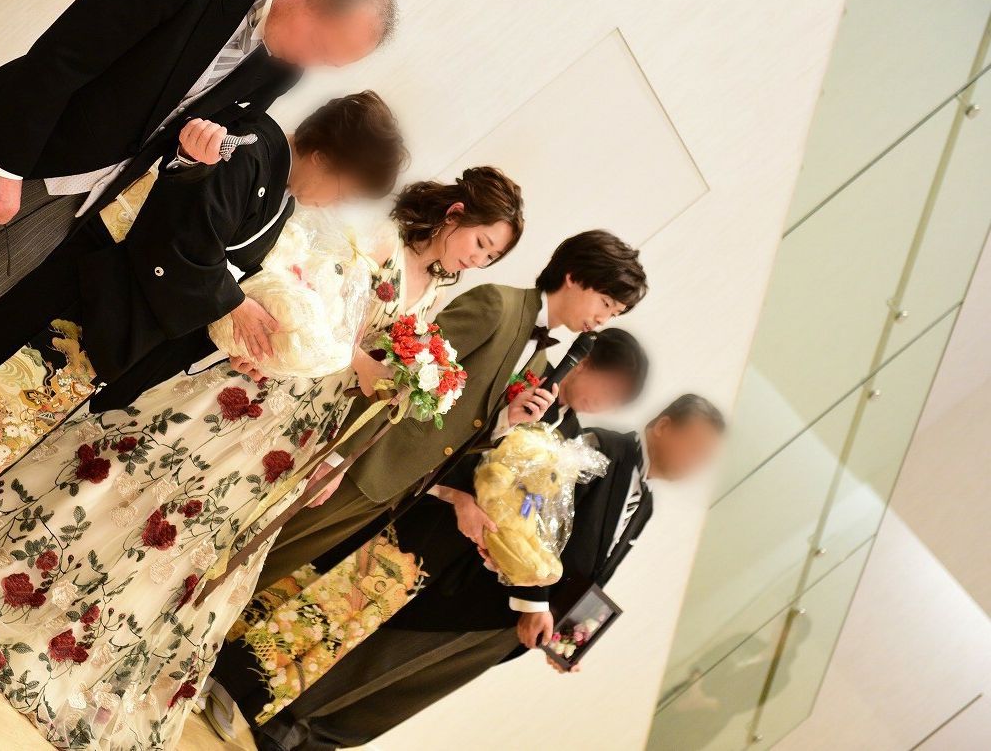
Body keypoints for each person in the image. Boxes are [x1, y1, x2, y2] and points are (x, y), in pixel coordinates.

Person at [0, 168, 526, 749]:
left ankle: (91, 644)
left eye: (491, 257)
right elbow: (311, 303)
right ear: (454, 214)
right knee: (149, 481)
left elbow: (380, 364)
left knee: (203, 538)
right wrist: (355, 360)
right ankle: (21, 585)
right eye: (481, 243)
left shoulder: (435, 292)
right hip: (270, 395)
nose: (479, 260)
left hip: (311, 431)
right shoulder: (378, 242)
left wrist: (354, 437)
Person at [0, 0, 396, 418]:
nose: (310, 63)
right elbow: (61, 57)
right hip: (2, 162)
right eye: (320, 45)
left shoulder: (280, 69)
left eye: (329, 62)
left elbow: (174, 152)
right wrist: (4, 166)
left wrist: (193, 160)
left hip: (67, 213)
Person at [0, 91, 404, 556]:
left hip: (118, 313)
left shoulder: (278, 195)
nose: (335, 203)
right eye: (345, 189)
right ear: (326, 158)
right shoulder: (248, 148)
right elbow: (177, 236)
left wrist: (242, 328)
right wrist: (231, 305)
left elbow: (223, 263)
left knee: (3, 416)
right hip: (88, 291)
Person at [208, 328, 651, 738]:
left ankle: (248, 693)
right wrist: (459, 497)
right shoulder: (531, 378)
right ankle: (221, 666)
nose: (605, 404)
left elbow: (532, 510)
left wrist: (505, 549)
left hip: (451, 545)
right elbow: (462, 430)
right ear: (584, 365)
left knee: (351, 619)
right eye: (609, 390)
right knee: (322, 588)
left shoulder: (570, 435)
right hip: (426, 506)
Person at [248, 394, 726, 750]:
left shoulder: (645, 506)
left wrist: (568, 636)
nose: (697, 463)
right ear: (665, 426)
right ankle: (286, 720)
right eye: (697, 447)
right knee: (388, 662)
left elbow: (589, 572)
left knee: (411, 690)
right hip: (489, 594)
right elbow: (532, 512)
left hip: (516, 628)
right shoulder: (602, 449)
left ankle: (317, 740)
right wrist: (533, 600)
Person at [237, 229, 650, 597]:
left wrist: (509, 422)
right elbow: (402, 374)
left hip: (395, 491)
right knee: (252, 551)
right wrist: (338, 457)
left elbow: (467, 428)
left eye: (614, 314)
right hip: (362, 462)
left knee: (268, 572)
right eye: (605, 303)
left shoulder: (542, 362)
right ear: (574, 277)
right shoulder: (497, 304)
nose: (603, 319)